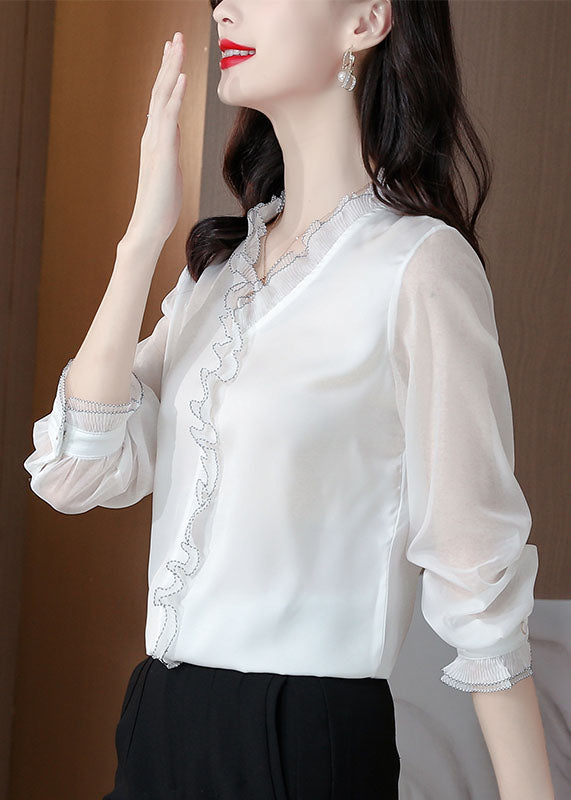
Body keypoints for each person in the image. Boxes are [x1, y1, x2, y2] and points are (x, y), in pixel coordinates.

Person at [23, 1, 555, 798]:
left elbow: (475, 572)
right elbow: (75, 472)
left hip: (298, 742)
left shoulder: (417, 266)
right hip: (157, 723)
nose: (226, 8)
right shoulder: (218, 277)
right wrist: (141, 239)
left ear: (365, 20)